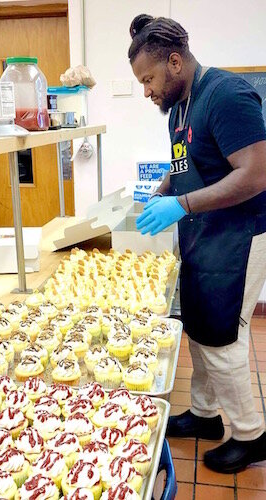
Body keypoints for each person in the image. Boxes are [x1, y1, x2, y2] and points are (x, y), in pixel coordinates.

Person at [129, 14, 266, 474]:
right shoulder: (180, 107)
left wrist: (182, 205)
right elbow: (187, 161)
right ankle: (205, 416)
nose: (146, 90)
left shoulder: (226, 95)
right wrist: (164, 190)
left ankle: (251, 435)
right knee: (201, 326)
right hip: (206, 233)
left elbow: (256, 173)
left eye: (148, 79)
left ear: (173, 62)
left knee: (223, 336)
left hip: (241, 235)